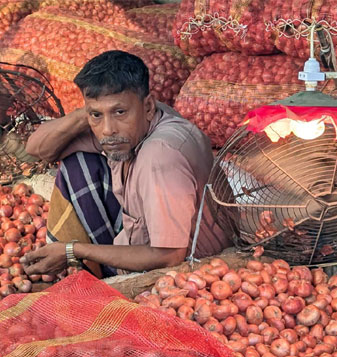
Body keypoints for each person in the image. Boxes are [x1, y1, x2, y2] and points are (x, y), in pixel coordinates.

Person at [22, 50, 228, 277]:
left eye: (119, 111)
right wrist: (88, 113)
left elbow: (168, 256)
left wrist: (73, 250)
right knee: (77, 163)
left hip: (188, 270)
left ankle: (94, 271)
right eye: (97, 115)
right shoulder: (127, 129)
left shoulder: (159, 156)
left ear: (148, 107)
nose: (108, 129)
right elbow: (37, 149)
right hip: (139, 238)